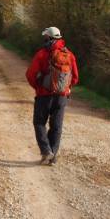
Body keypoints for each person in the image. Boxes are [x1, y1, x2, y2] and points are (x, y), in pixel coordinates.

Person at [26, 27, 79, 165]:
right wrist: (66, 88)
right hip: (61, 97)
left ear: (49, 38)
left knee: (39, 123)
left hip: (44, 95)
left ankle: (46, 151)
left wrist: (38, 87)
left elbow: (31, 75)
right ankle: (52, 158)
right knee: (56, 127)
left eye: (45, 38)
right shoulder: (69, 55)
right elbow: (75, 77)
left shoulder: (42, 54)